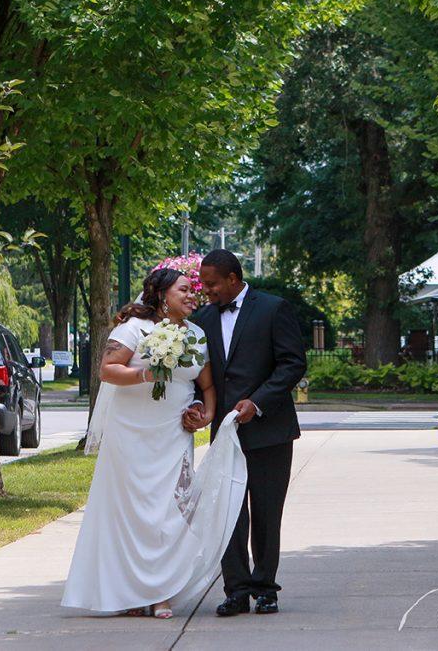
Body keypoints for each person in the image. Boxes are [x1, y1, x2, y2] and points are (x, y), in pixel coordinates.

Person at [61, 268, 247, 619]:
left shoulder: (196, 334)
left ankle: (162, 593)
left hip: (174, 434)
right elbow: (106, 370)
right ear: (162, 295)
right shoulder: (134, 328)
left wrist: (205, 415)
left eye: (194, 291)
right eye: (184, 290)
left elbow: (207, 387)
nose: (193, 295)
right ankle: (130, 593)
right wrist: (147, 372)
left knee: (170, 513)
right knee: (131, 513)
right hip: (132, 434)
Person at [184, 249, 307, 616]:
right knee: (229, 513)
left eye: (211, 284)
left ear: (233, 279)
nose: (205, 291)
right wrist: (197, 406)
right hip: (225, 434)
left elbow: (292, 363)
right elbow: (200, 375)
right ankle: (235, 589)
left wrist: (258, 401)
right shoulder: (203, 319)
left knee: (267, 512)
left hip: (270, 431)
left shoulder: (273, 309)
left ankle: (265, 588)